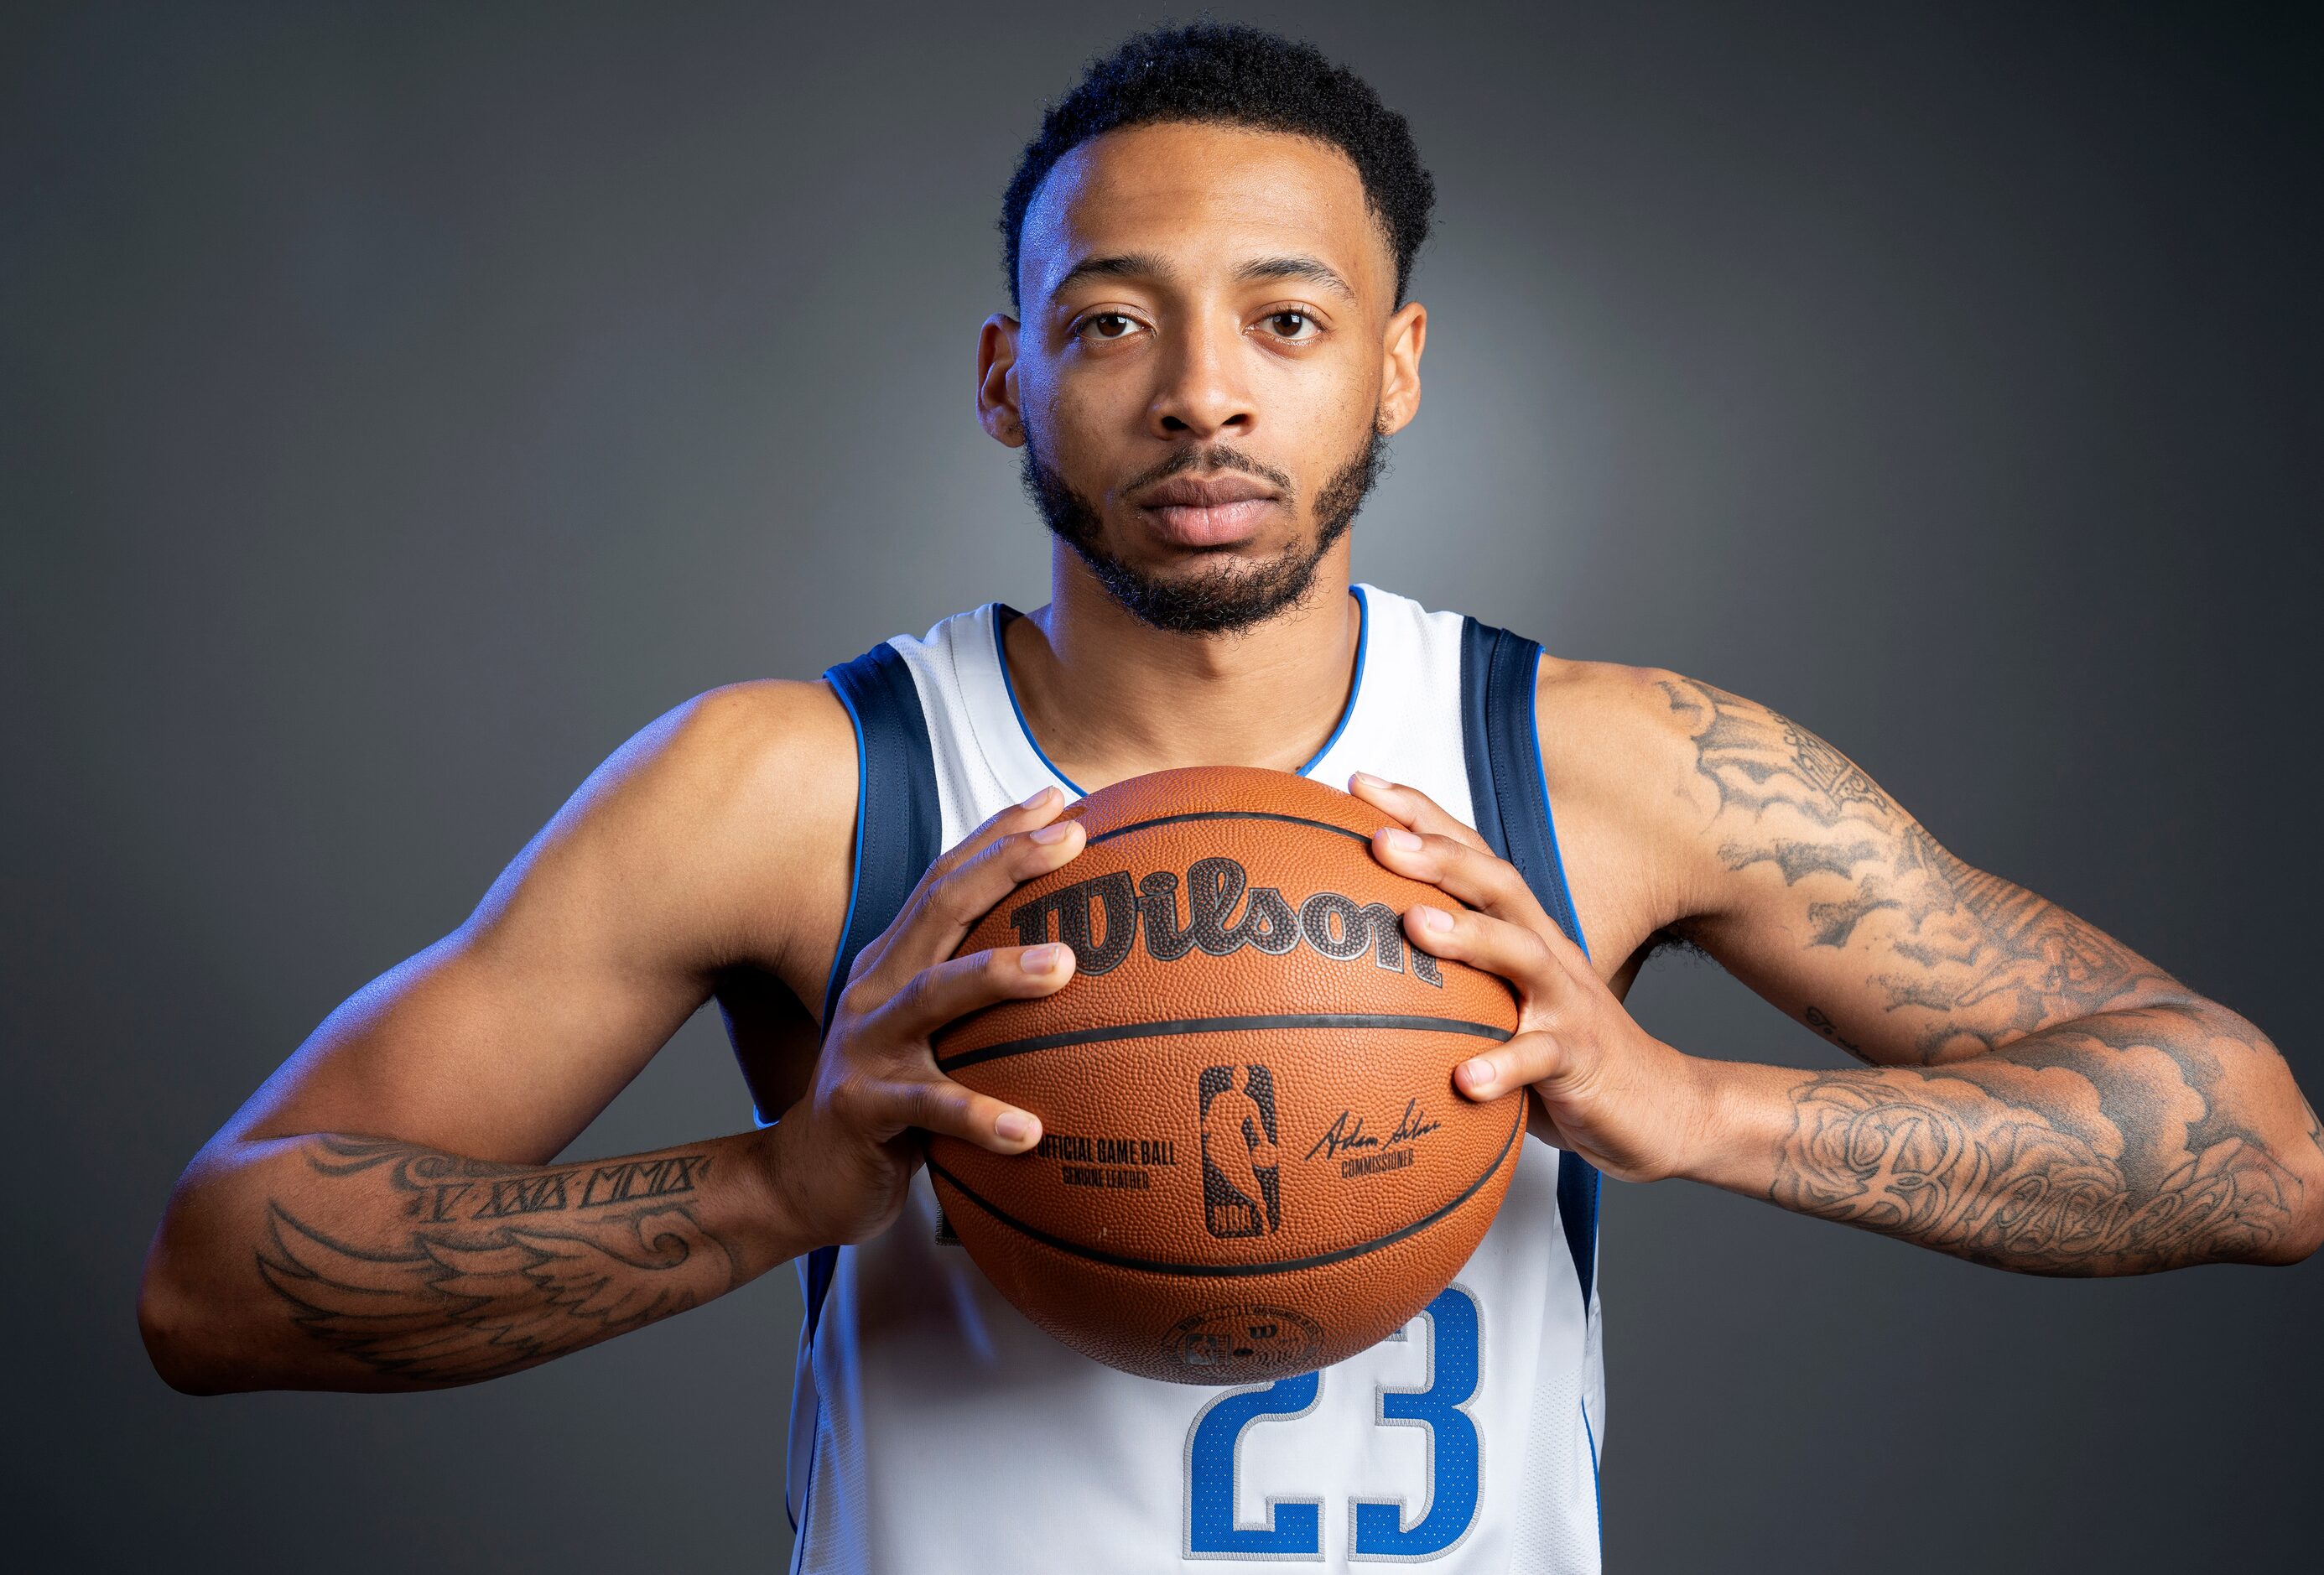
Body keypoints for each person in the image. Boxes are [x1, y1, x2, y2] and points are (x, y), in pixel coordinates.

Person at [137, 22, 2323, 1572]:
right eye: (1111, 323)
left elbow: (2253, 1149)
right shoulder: (794, 787)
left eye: (1285, 320)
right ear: (1004, 374)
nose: (1200, 395)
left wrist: (1696, 1111)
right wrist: (779, 1188)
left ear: (1395, 365)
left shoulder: (1607, 769)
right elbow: (214, 1285)